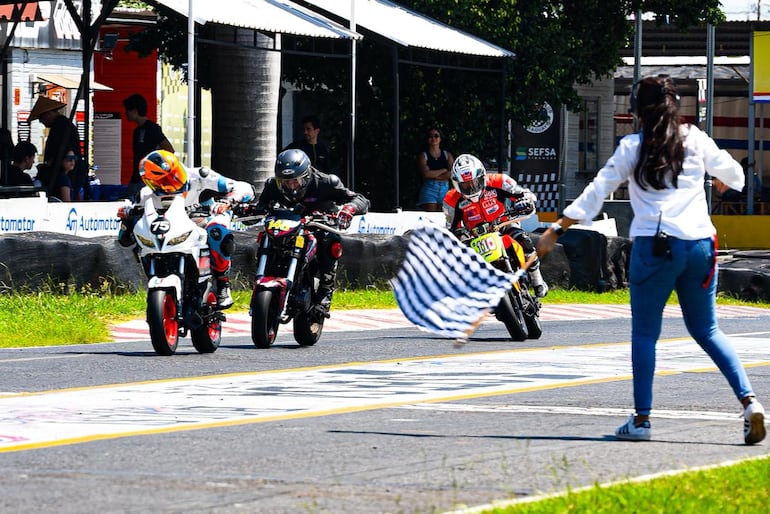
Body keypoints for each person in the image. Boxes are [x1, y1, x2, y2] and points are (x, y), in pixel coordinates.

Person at [537, 75, 766, 445]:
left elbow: (598, 189)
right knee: (707, 330)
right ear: (675, 106)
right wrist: (723, 181)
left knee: (645, 334)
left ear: (637, 110)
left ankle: (642, 419)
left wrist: (557, 228)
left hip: (655, 247)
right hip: (700, 246)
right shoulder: (695, 138)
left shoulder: (633, 146)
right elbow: (734, 174)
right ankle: (749, 402)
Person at [117, 150, 255, 309]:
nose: (172, 181)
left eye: (173, 175)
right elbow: (134, 214)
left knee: (216, 232)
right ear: (151, 182)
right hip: (174, 228)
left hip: (206, 218)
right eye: (162, 181)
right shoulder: (146, 194)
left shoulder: (201, 176)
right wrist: (126, 215)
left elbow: (245, 188)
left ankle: (222, 283)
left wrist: (228, 201)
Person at [253, 148, 369, 314]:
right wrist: (247, 210)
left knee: (330, 239)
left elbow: (360, 199)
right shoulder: (272, 185)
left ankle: (326, 290)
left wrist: (349, 209)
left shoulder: (326, 182)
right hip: (286, 227)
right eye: (285, 182)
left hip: (317, 225)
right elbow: (260, 208)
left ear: (306, 177)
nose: (291, 186)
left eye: (295, 181)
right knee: (265, 236)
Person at [443, 153, 548, 298]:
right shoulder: (451, 200)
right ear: (456, 184)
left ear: (482, 176)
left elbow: (524, 193)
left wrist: (525, 201)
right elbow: (451, 228)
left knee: (524, 240)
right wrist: (460, 235)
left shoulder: (499, 181)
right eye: (465, 185)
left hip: (503, 224)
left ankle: (537, 280)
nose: (471, 188)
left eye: (475, 182)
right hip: (476, 237)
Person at [29, 96, 83, 199]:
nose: (41, 121)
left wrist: (51, 163)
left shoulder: (60, 126)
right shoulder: (63, 124)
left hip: (61, 175)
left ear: (48, 114)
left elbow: (62, 150)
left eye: (41, 117)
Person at [123, 93, 175, 200]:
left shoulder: (153, 128)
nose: (126, 113)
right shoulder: (137, 131)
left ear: (135, 111)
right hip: (137, 177)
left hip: (148, 179)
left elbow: (169, 149)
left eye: (128, 110)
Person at [417, 127, 454, 212]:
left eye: (436, 136)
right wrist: (443, 170)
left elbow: (452, 173)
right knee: (430, 215)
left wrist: (433, 175)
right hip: (429, 189)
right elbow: (426, 174)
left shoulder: (447, 155)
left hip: (444, 189)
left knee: (443, 215)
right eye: (430, 136)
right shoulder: (423, 156)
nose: (433, 138)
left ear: (440, 139)